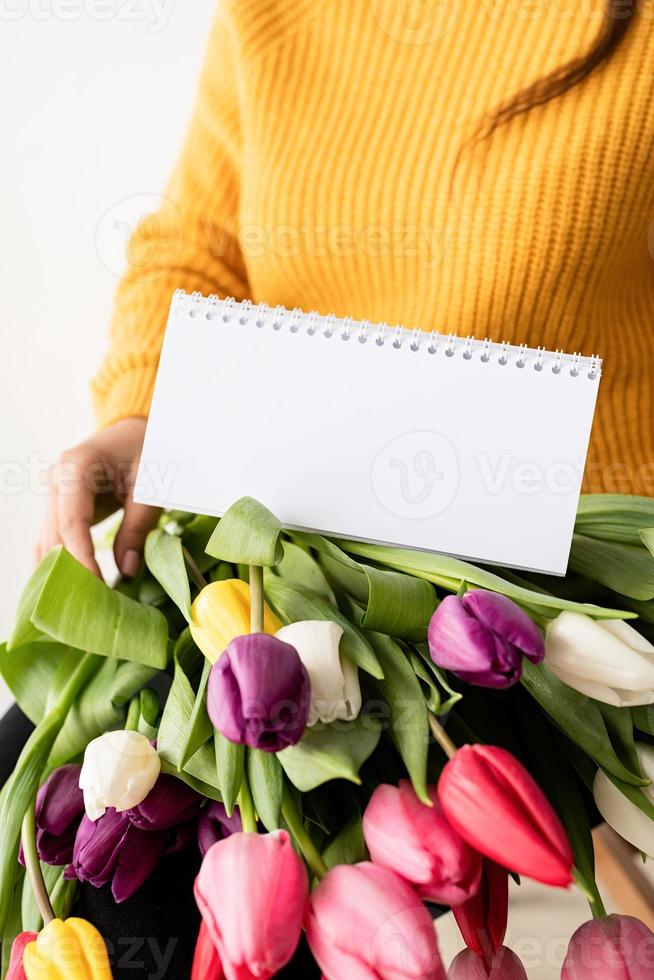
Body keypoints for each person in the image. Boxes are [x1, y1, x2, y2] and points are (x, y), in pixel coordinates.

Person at [15, 0, 654, 973]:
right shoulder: (277, 13)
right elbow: (197, 246)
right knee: (64, 797)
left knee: (251, 870)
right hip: (299, 531)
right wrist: (145, 412)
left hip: (560, 578)